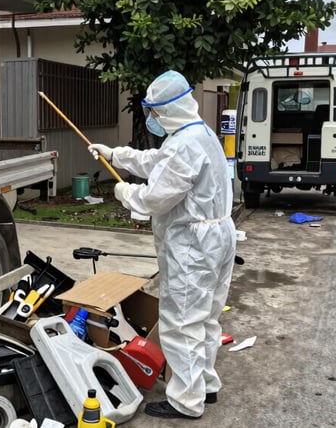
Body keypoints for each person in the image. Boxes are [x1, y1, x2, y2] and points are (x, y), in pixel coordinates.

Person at [88, 70, 236, 419]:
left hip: (194, 245)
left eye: (154, 111)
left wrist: (125, 192)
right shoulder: (198, 134)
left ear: (168, 110)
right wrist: (115, 154)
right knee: (205, 318)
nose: (152, 117)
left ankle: (186, 401)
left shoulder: (184, 144)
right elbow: (156, 161)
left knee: (181, 322)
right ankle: (205, 385)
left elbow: (156, 198)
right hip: (217, 237)